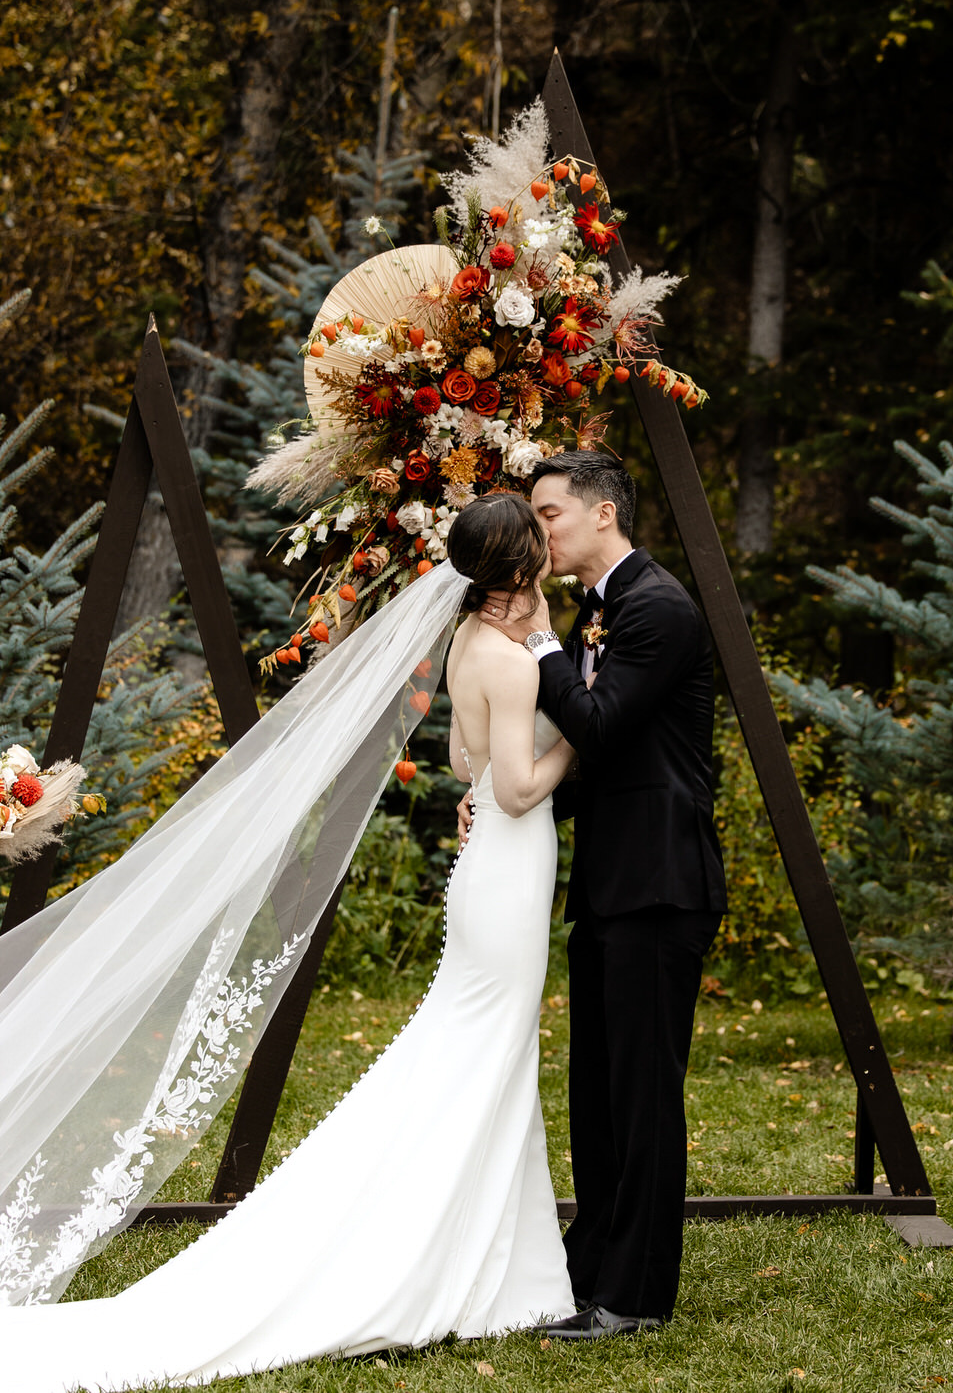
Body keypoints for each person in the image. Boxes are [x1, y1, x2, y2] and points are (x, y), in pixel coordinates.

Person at [0, 493, 579, 1391]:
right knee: (490, 1049)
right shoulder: (509, 658)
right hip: (507, 865)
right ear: (521, 563)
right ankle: (473, 1266)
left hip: (489, 875)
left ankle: (510, 1267)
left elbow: (463, 766)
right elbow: (505, 787)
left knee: (484, 1054)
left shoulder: (470, 643)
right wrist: (579, 744)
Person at [470, 450, 727, 1340]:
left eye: (548, 515)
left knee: (644, 1093)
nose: (538, 532)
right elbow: (598, 763)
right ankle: (592, 1266)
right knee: (600, 1089)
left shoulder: (655, 609)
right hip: (612, 881)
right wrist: (502, 808)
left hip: (661, 882)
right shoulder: (599, 610)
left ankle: (637, 1295)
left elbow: (600, 724)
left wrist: (538, 643)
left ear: (604, 514)